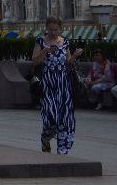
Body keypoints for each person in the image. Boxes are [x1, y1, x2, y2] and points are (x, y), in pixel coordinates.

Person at [31, 15, 83, 154]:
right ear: (46, 28)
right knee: (50, 115)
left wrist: (75, 55)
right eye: (50, 30)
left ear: (60, 29)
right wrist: (45, 51)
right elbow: (35, 61)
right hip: (48, 83)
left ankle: (63, 150)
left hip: (63, 84)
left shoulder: (64, 42)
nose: (53, 33)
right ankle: (46, 138)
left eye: (56, 30)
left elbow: (68, 62)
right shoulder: (40, 41)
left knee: (65, 117)